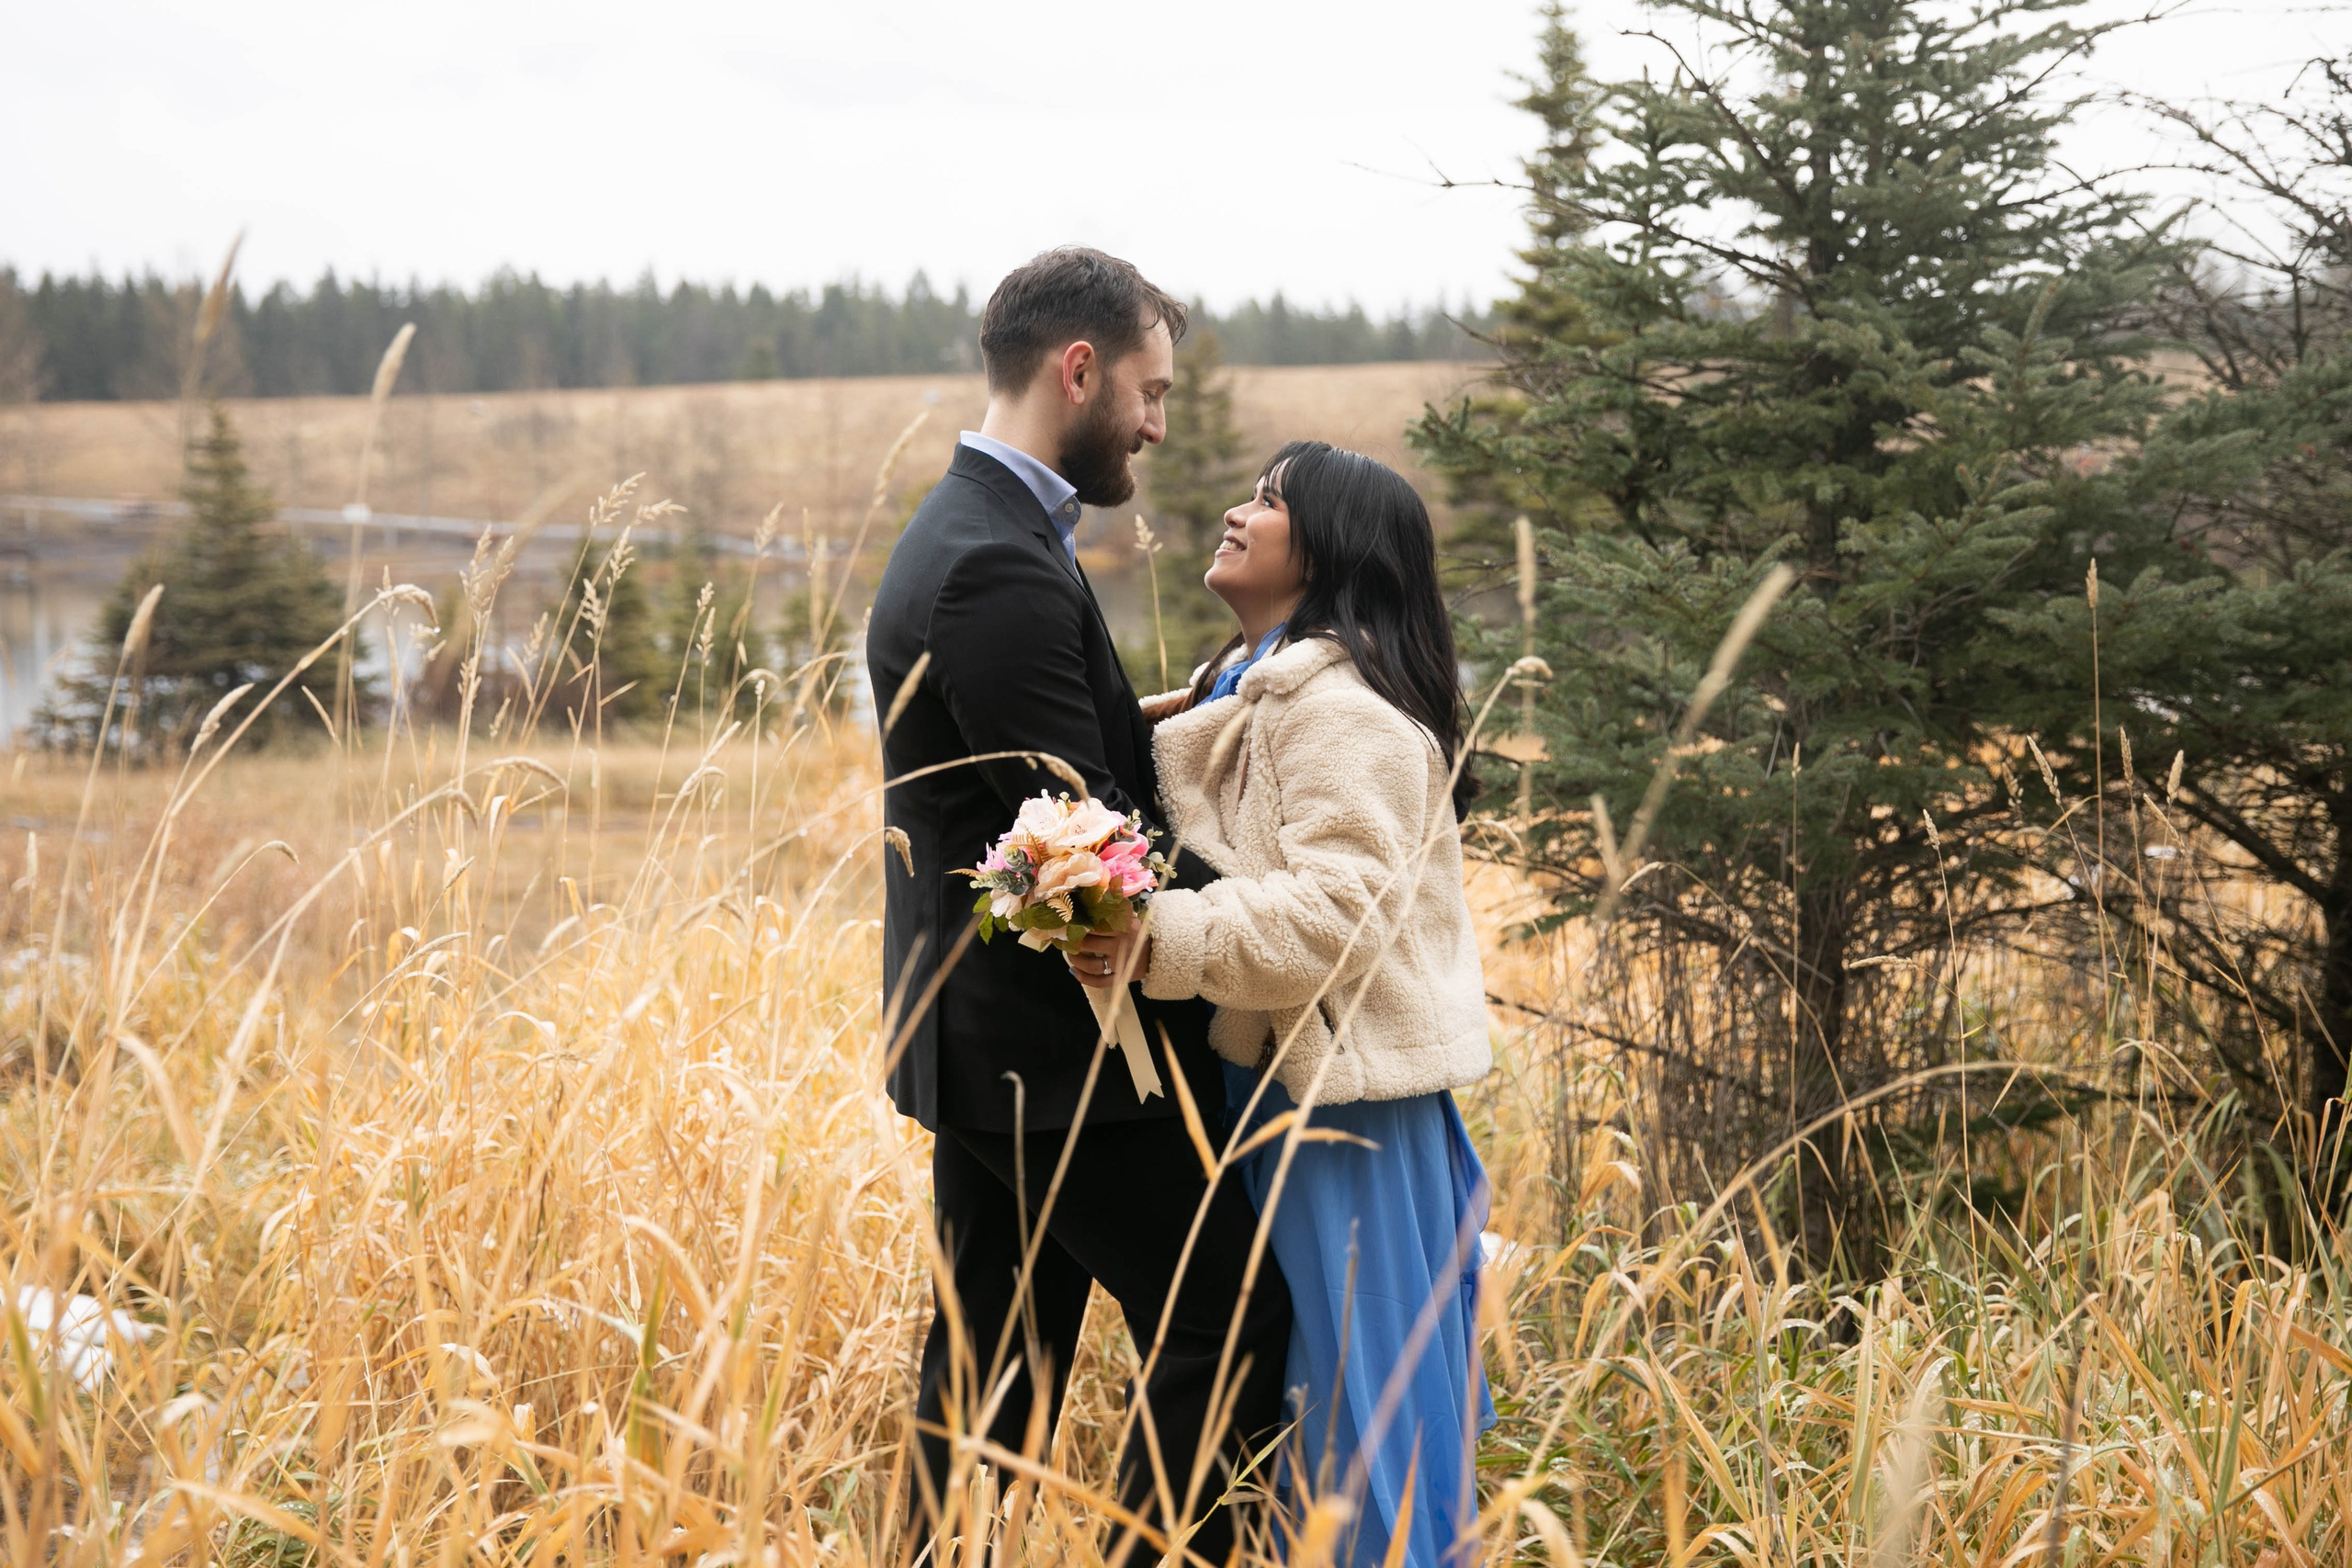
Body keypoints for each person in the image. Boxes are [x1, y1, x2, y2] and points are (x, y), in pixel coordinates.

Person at [865, 246, 1293, 1560]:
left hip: (982, 1042)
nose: (1159, 425)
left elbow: (1030, 771)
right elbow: (1086, 839)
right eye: (1151, 393)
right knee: (1231, 1319)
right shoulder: (994, 564)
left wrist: (1162, 715)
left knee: (997, 1365)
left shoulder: (975, 530)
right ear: (1080, 369)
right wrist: (1285, 908)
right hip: (1056, 1057)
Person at [1071, 442, 1497, 1566]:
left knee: (1352, 1420)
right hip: (1288, 1096)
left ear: (1330, 547)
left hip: (1339, 1118)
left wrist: (1148, 935)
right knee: (1309, 1404)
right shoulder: (1257, 687)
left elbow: (1336, 915)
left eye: (1268, 500)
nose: (1234, 511)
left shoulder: (1343, 712)